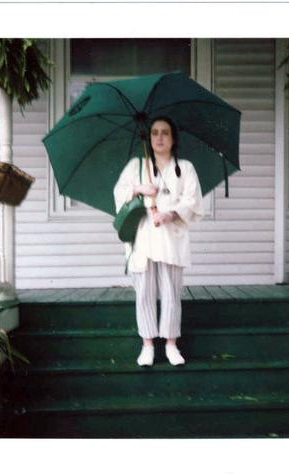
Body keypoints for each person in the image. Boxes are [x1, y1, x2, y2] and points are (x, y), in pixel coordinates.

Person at [113, 116, 204, 367]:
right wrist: (140, 189)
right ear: (149, 137)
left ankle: (172, 344)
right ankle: (148, 345)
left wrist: (170, 214)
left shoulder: (185, 168)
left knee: (171, 292)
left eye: (165, 132)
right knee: (144, 292)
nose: (159, 137)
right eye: (154, 133)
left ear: (173, 139)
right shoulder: (137, 166)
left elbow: (193, 200)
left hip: (171, 238)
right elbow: (119, 192)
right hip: (143, 237)